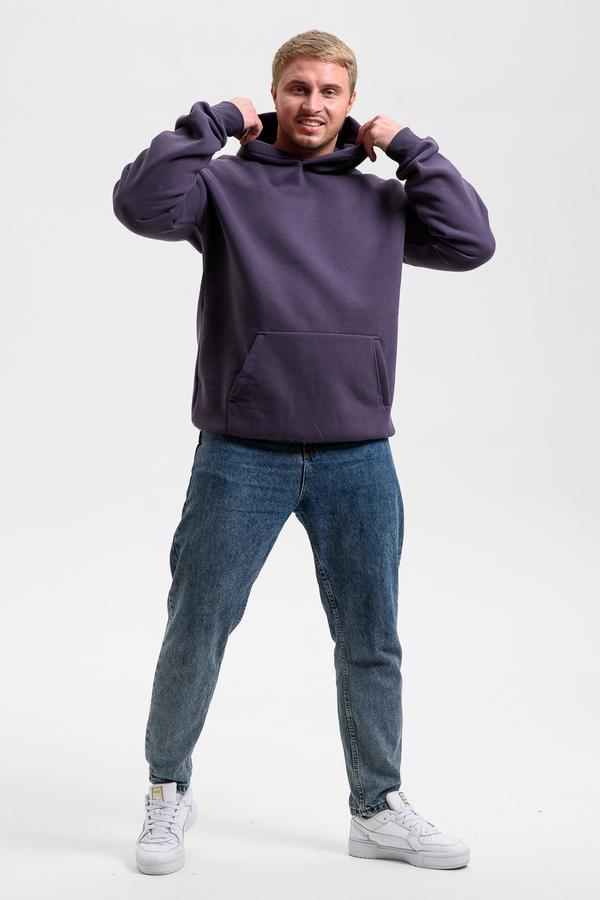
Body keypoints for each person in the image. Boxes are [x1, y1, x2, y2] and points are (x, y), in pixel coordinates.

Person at [112, 29, 495, 876]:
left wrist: (411, 148)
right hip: (241, 449)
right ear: (274, 95)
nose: (312, 103)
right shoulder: (224, 187)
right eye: (297, 88)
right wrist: (215, 121)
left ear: (350, 103)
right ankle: (167, 789)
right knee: (198, 625)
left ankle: (377, 807)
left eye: (328, 91)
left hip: (359, 453)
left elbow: (472, 243)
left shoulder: (382, 201)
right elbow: (140, 205)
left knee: (371, 637)